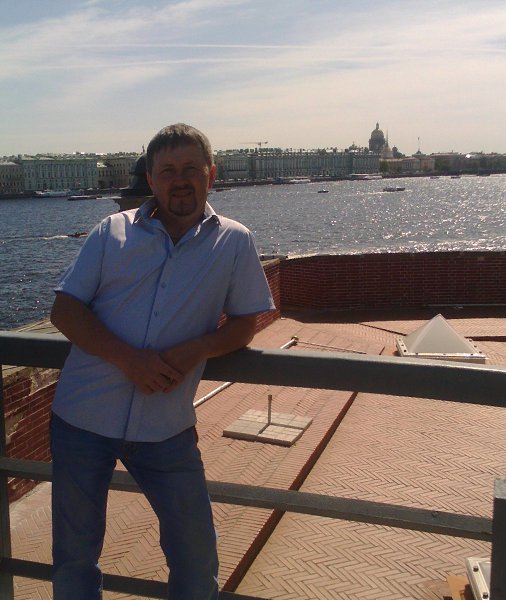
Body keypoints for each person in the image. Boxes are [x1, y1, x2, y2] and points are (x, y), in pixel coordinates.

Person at [49, 123, 275, 600]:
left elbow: (244, 323)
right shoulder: (111, 231)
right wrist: (131, 361)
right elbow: (65, 310)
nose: (180, 179)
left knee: (196, 556)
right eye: (167, 170)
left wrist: (198, 349)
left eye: (191, 168)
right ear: (151, 180)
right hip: (82, 419)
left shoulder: (234, 241)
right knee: (75, 557)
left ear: (211, 174)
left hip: (165, 426)